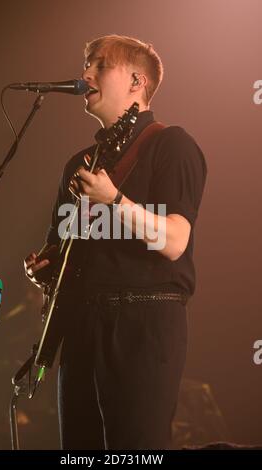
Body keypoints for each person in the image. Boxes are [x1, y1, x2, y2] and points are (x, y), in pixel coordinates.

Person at [24, 34, 207, 450]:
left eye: (99, 65)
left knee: (135, 451)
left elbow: (176, 240)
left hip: (142, 325)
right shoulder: (79, 163)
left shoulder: (171, 144)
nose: (85, 74)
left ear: (136, 81)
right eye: (86, 65)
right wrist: (46, 267)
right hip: (82, 327)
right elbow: (64, 245)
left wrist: (115, 200)